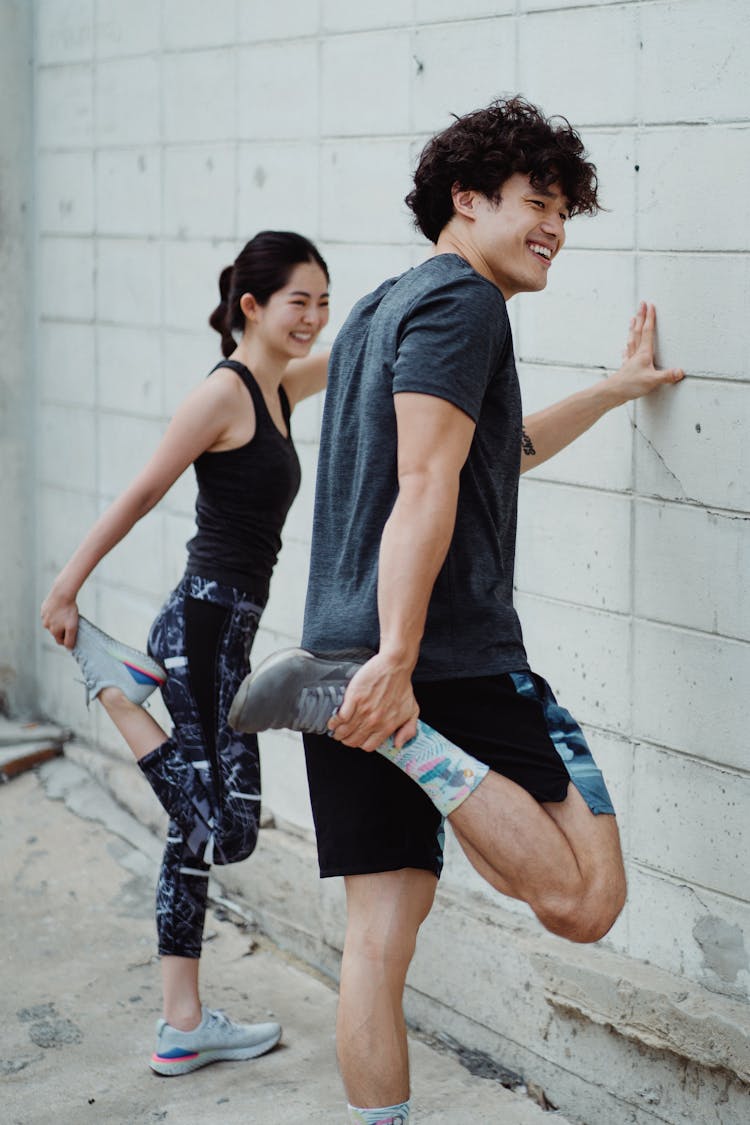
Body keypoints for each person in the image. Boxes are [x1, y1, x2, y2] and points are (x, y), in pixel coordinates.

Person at [228, 98, 685, 1125]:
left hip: (337, 665)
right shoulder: (464, 305)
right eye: (537, 203)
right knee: (587, 899)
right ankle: (411, 740)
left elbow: (490, 455)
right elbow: (429, 486)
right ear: (465, 201)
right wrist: (397, 666)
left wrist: (613, 391)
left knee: (377, 946)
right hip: (432, 662)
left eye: (566, 210)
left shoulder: (386, 308)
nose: (555, 228)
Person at [40, 230, 330, 1075]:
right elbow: (140, 493)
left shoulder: (279, 387)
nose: (312, 317)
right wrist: (67, 587)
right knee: (217, 824)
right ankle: (116, 689)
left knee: (202, 833)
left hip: (221, 641)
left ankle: (181, 1023)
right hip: (203, 629)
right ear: (253, 305)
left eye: (322, 299)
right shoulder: (227, 392)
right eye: (296, 301)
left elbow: (356, 358)